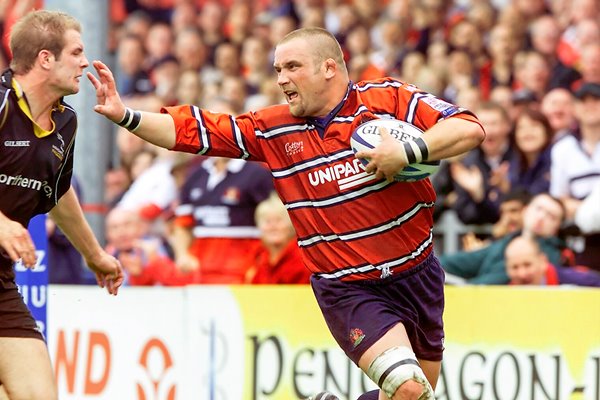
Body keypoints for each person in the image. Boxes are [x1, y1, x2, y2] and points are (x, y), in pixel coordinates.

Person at [88, 27, 484, 400]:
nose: (281, 79)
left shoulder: (387, 99)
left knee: (414, 397)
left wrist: (406, 152)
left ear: (329, 67)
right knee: (408, 387)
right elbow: (193, 130)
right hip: (348, 286)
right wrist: (126, 115)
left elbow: (468, 127)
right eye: (277, 69)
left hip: (418, 274)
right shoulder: (272, 128)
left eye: (292, 67)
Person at [0, 10, 124, 400]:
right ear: (45, 58)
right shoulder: (1, 103)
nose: (85, 62)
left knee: (38, 394)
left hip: (1, 280)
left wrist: (94, 253)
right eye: (76, 52)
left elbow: (58, 192)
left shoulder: (65, 123)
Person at [440, 193, 569, 285]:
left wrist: (467, 287)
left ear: (556, 227)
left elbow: (499, 279)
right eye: (539, 209)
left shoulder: (552, 255)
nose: (541, 217)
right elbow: (463, 261)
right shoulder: (504, 242)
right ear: (525, 210)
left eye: (551, 216)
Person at [245, 192, 311, 284]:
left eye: (279, 220)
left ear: (291, 225)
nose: (273, 226)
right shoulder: (257, 256)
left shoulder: (304, 258)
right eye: (267, 221)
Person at [504, 235, 600, 287]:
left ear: (543, 261)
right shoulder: (503, 296)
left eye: (527, 265)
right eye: (514, 267)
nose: (522, 274)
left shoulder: (578, 281)